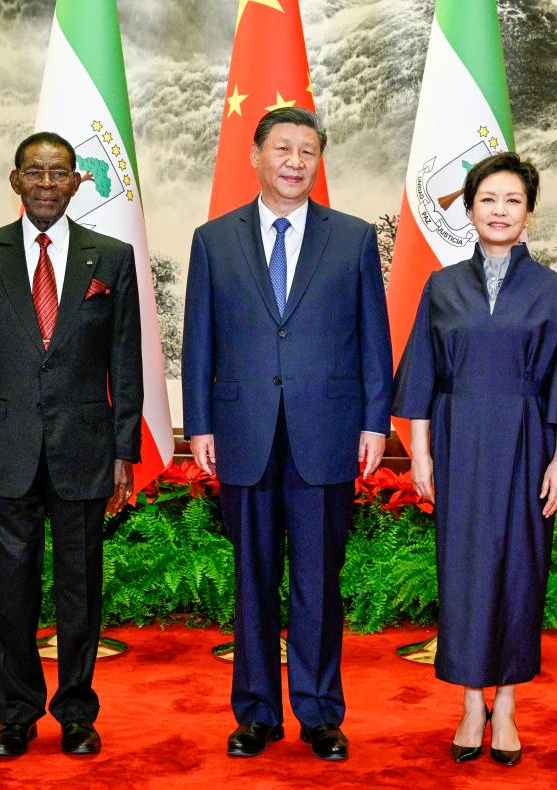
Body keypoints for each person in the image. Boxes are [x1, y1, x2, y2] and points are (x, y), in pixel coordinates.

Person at [182, 108, 392, 761]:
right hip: (243, 432)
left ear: (318, 160)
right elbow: (199, 341)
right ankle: (256, 714)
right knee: (252, 579)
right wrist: (199, 424)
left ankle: (320, 713)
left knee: (318, 582)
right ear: (256, 156)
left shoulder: (352, 238)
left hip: (325, 432)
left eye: (307, 150)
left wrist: (374, 421)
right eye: (283, 148)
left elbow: (374, 338)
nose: (295, 161)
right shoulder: (214, 240)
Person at [392, 152, 557, 766]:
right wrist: (421, 456)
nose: (500, 210)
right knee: (461, 573)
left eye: (513, 200)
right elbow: (422, 379)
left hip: (526, 445)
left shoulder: (551, 290)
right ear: (469, 209)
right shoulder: (441, 287)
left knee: (519, 573)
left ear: (528, 213)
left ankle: (506, 704)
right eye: (488, 199)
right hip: (458, 444)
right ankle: (468, 703)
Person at [0, 131, 143, 758]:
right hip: (5, 449)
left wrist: (124, 452)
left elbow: (126, 362)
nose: (45, 183)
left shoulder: (110, 257)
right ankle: (15, 714)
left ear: (76, 182)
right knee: (11, 589)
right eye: (33, 172)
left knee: (79, 589)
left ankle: (77, 712)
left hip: (84, 448)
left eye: (58, 172)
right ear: (15, 180)